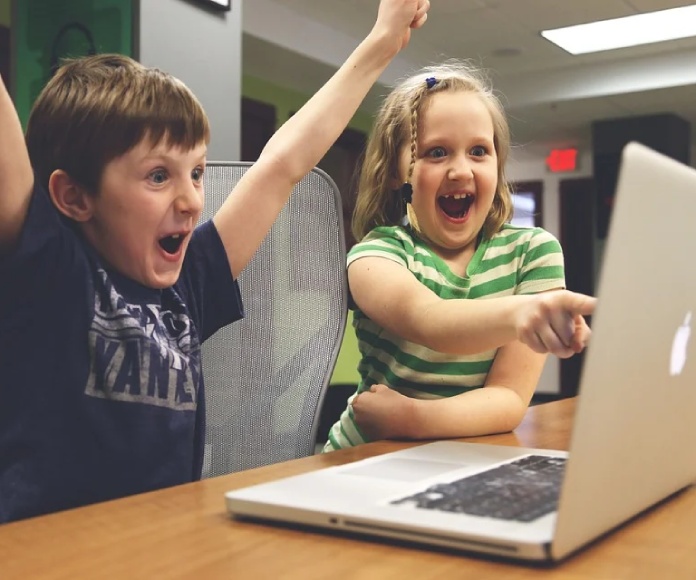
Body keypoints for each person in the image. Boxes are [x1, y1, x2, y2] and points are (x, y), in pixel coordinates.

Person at [0, 0, 431, 523]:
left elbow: (282, 165)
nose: (191, 201)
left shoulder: (188, 284)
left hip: (162, 546)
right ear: (73, 196)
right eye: (158, 176)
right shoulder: (48, 270)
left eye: (197, 173)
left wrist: (383, 40)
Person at [323, 60, 596, 452]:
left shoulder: (533, 252)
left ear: (498, 164)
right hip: (365, 456)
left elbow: (509, 399)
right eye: (437, 152)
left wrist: (413, 419)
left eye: (479, 151)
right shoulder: (375, 256)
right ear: (398, 171)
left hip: (460, 456)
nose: (460, 170)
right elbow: (431, 321)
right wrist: (523, 313)